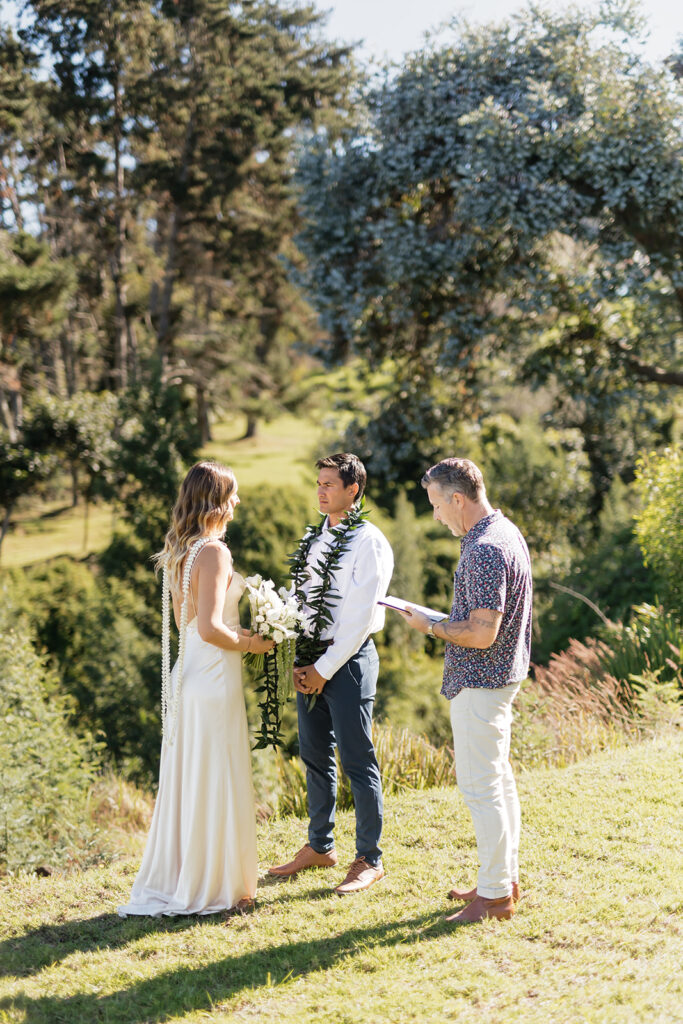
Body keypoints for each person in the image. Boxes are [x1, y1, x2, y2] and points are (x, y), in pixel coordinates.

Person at [118, 461, 273, 917]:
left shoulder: (181, 550)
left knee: (193, 774)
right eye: (232, 494)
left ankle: (191, 872)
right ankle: (213, 883)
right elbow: (209, 628)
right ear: (217, 501)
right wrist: (253, 643)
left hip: (189, 673)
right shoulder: (215, 553)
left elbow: (189, 623)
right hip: (213, 675)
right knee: (215, 772)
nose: (238, 501)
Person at [399, 457, 532, 925]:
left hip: (481, 680)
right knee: (499, 782)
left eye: (437, 505)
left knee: (481, 788)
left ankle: (494, 897)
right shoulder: (504, 531)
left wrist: (431, 626)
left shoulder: (484, 549)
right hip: (501, 676)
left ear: (458, 499)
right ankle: (502, 880)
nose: (436, 516)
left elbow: (481, 632)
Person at [269, 453, 394, 895]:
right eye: (318, 483)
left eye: (329, 484)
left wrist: (323, 669)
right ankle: (320, 846)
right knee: (314, 754)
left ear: (352, 490)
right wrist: (298, 657)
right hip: (311, 658)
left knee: (357, 758)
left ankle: (369, 859)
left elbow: (359, 619)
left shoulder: (369, 541)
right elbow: (303, 601)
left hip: (350, 660)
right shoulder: (313, 537)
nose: (320, 491)